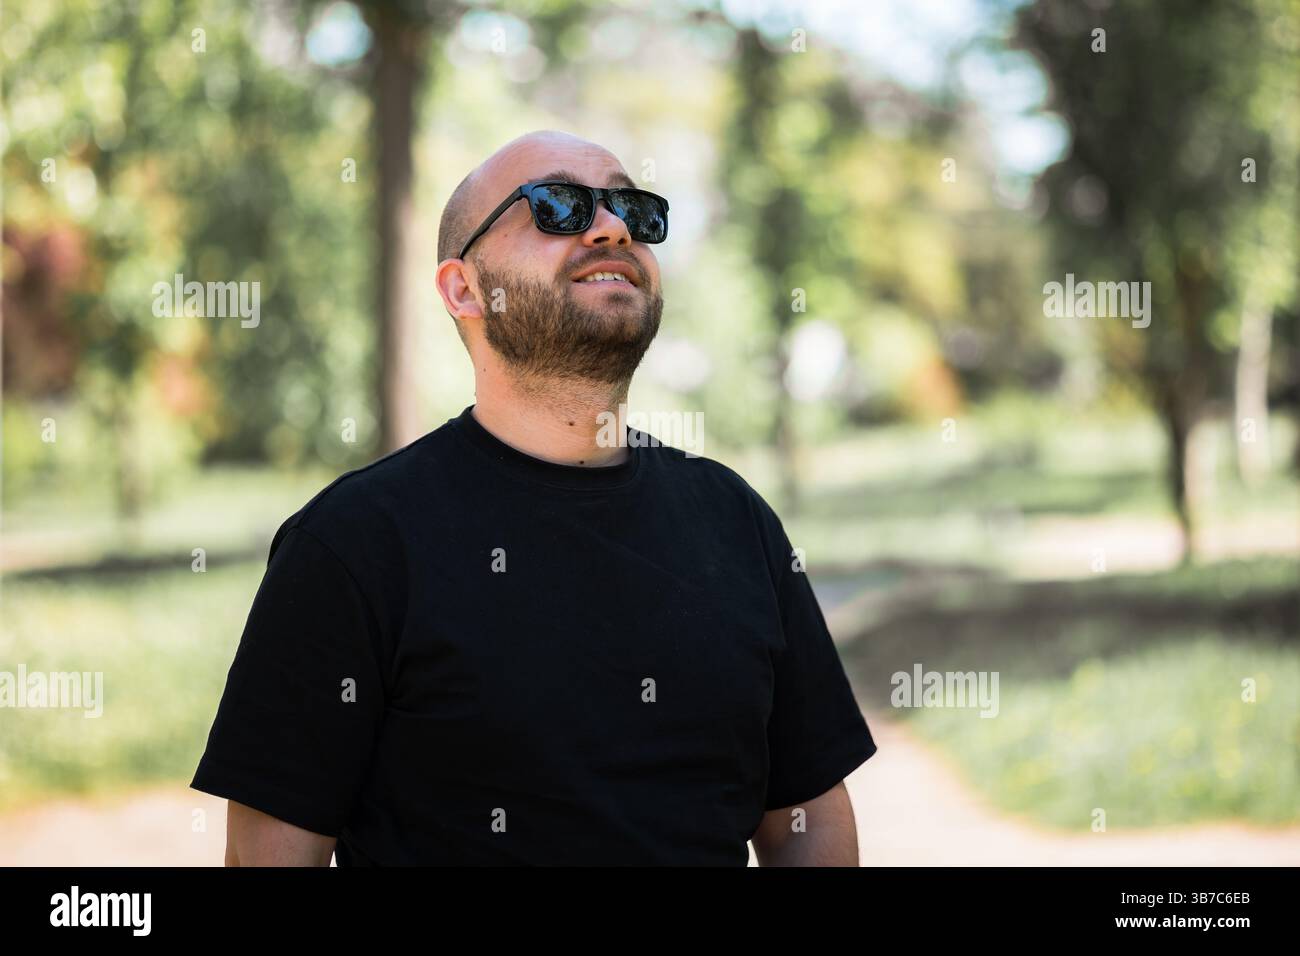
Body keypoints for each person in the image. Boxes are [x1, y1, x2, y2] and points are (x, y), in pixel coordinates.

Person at [191, 130, 877, 866]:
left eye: (633, 211)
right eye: (557, 206)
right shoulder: (352, 544)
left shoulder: (737, 522)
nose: (611, 226)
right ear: (464, 288)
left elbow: (808, 817)